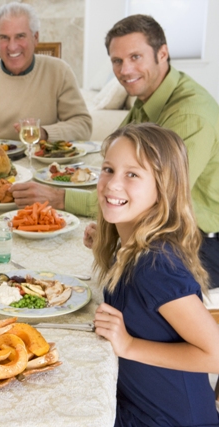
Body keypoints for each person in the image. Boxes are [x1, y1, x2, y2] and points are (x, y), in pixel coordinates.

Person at [13, 14, 219, 287]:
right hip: (165, 227)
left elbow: (162, 196)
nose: (125, 71)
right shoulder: (147, 99)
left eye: (135, 57)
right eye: (117, 61)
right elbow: (116, 159)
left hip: (201, 242)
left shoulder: (190, 114)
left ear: (163, 54)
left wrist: (61, 198)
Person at [92, 123, 219, 426]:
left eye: (132, 174)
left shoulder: (155, 265)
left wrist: (129, 345)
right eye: (108, 169)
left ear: (163, 189)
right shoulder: (133, 246)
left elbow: (215, 354)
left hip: (165, 419)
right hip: (139, 405)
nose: (112, 184)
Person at [0, 2, 92, 142]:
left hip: (40, 163)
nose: (12, 47)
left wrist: (44, 133)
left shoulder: (59, 72)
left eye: (20, 36)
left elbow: (83, 125)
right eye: (4, 38)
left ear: (36, 38)